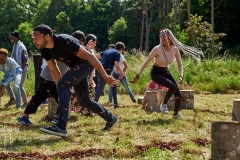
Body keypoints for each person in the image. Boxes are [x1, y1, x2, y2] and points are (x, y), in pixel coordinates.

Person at [32, 24, 119, 137]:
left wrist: (105, 76)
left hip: (86, 64)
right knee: (84, 101)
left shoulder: (65, 41)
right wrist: (60, 90)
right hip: (75, 67)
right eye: (33, 38)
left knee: (63, 85)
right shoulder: (44, 50)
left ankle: (61, 127)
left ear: (47, 36)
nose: (34, 41)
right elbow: (54, 70)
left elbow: (90, 57)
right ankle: (111, 118)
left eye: (36, 38)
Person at [131, 28, 204, 119]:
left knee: (178, 94)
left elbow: (180, 65)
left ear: (169, 37)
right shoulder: (157, 49)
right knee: (173, 86)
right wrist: (138, 75)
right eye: (161, 37)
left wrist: (181, 75)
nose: (162, 38)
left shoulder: (175, 50)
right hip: (156, 73)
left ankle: (175, 114)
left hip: (165, 71)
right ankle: (164, 104)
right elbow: (146, 62)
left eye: (164, 36)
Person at [17, 60, 68, 125]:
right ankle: (23, 117)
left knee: (63, 97)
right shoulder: (67, 51)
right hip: (48, 78)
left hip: (58, 78)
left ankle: (57, 117)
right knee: (38, 97)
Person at [95, 42, 125, 109]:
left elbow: (95, 56)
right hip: (106, 70)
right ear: (121, 49)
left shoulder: (107, 51)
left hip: (99, 69)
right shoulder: (117, 53)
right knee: (100, 87)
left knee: (113, 83)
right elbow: (117, 66)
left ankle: (116, 104)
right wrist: (122, 73)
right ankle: (94, 104)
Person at [4, 32, 28, 108]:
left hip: (21, 69)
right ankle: (12, 99)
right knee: (6, 83)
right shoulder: (15, 45)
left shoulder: (21, 46)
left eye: (12, 37)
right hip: (14, 69)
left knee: (19, 86)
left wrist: (21, 70)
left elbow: (25, 60)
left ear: (17, 38)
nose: (11, 38)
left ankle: (25, 103)